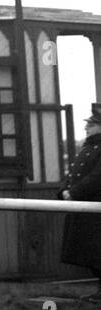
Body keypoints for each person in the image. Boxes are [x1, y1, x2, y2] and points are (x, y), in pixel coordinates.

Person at [60, 103, 101, 296]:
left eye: (91, 125)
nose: (86, 128)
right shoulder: (88, 147)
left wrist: (74, 192)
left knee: (96, 251)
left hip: (94, 207)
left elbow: (97, 176)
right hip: (84, 206)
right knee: (91, 253)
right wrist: (64, 191)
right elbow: (74, 173)